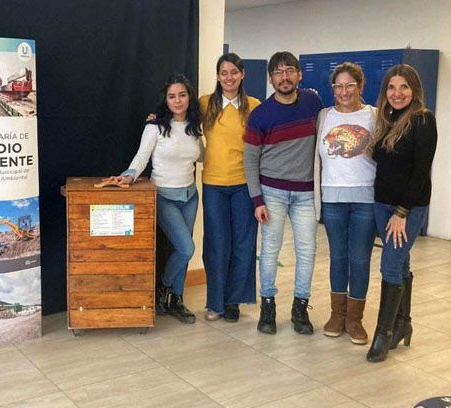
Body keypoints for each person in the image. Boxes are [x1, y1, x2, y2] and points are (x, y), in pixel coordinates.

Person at [105, 74, 203, 324]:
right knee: (186, 248)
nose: (178, 100)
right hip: (164, 197)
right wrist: (128, 175)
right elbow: (141, 157)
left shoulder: (195, 126)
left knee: (183, 252)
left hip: (190, 195)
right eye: (172, 96)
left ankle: (176, 300)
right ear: (166, 100)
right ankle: (162, 287)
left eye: (182, 95)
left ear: (189, 96)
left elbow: (201, 157)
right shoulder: (155, 127)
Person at [244, 51, 324, 335]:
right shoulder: (260, 115)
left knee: (307, 252)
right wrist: (257, 200)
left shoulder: (314, 103)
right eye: (278, 72)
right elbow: (250, 160)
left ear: (300, 74)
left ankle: (300, 308)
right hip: (272, 192)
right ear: (270, 78)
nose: (285, 76)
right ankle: (268, 306)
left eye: (290, 70)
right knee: (269, 252)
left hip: (305, 194)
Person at [366, 64, 437, 362]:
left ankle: (383, 335)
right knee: (401, 263)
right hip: (382, 204)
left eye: (404, 87)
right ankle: (402, 324)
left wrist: (402, 212)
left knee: (391, 267)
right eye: (392, 88)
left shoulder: (422, 120)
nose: (397, 94)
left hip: (405, 209)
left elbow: (421, 171)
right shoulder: (388, 119)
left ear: (415, 90)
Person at [314, 63, 377, 345]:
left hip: (365, 198)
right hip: (333, 198)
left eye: (350, 85)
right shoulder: (323, 117)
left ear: (360, 86)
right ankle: (337, 315)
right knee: (338, 257)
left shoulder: (374, 116)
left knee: (360, 259)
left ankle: (355, 319)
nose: (344, 91)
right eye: (338, 86)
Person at [200, 54, 261, 323]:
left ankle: (234, 300)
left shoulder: (254, 106)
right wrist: (155, 117)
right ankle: (215, 302)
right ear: (217, 76)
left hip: (244, 185)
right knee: (216, 244)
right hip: (213, 184)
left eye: (234, 72)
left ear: (242, 74)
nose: (229, 77)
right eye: (223, 73)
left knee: (243, 244)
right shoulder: (205, 104)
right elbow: (177, 115)